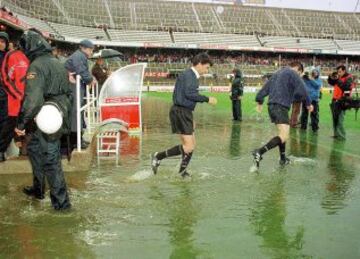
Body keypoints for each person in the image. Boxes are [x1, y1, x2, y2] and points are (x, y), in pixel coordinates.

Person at [15, 30, 72, 210]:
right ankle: (38, 189)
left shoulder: (36, 66)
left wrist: (21, 124)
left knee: (51, 160)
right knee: (34, 149)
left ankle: (62, 205)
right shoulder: (58, 62)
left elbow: (33, 101)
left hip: (47, 117)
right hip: (58, 114)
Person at [150, 53, 217, 178]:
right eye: (207, 67)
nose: (207, 70)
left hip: (184, 111)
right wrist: (207, 99)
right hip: (180, 111)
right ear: (199, 64)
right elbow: (189, 94)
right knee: (189, 146)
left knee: (191, 145)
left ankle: (182, 171)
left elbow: (186, 96)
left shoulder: (190, 75)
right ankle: (158, 156)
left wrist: (190, 116)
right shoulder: (189, 75)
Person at [252, 62, 313, 169]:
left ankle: (283, 158)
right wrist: (308, 103)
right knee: (284, 135)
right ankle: (259, 152)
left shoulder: (277, 73)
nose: (299, 76)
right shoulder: (293, 73)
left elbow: (265, 88)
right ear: (299, 70)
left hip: (272, 106)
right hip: (280, 107)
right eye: (300, 74)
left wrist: (259, 100)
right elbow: (302, 88)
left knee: (283, 133)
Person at [0, 37, 29, 162]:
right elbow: (5, 78)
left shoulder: (29, 57)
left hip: (26, 102)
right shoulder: (11, 56)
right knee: (8, 127)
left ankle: (23, 152)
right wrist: (17, 94)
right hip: (12, 101)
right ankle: (1, 151)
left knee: (24, 128)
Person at [64, 39, 95, 149]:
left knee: (79, 111)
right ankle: (75, 141)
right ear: (84, 48)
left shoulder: (80, 56)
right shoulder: (79, 56)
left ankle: (79, 139)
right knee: (76, 112)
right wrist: (90, 79)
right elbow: (81, 71)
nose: (92, 52)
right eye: (91, 49)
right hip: (73, 86)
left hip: (77, 86)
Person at [328, 65, 355, 140]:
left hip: (343, 101)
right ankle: (336, 134)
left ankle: (342, 136)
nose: (338, 73)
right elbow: (331, 83)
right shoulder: (339, 77)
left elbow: (346, 88)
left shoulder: (349, 78)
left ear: (344, 71)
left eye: (340, 72)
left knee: (340, 120)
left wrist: (338, 80)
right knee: (335, 119)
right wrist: (330, 77)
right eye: (338, 72)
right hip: (334, 100)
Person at [300, 68, 322, 132]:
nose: (314, 74)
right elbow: (300, 82)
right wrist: (302, 76)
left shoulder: (318, 80)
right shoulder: (305, 78)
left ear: (318, 74)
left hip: (314, 99)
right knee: (304, 113)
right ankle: (303, 127)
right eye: (313, 72)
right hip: (306, 98)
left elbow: (317, 86)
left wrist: (311, 79)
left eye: (315, 72)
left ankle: (315, 128)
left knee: (314, 114)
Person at [0, 32, 9, 161]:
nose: (0, 43)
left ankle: (1, 150)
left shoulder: (8, 56)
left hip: (5, 95)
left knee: (4, 123)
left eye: (3, 41)